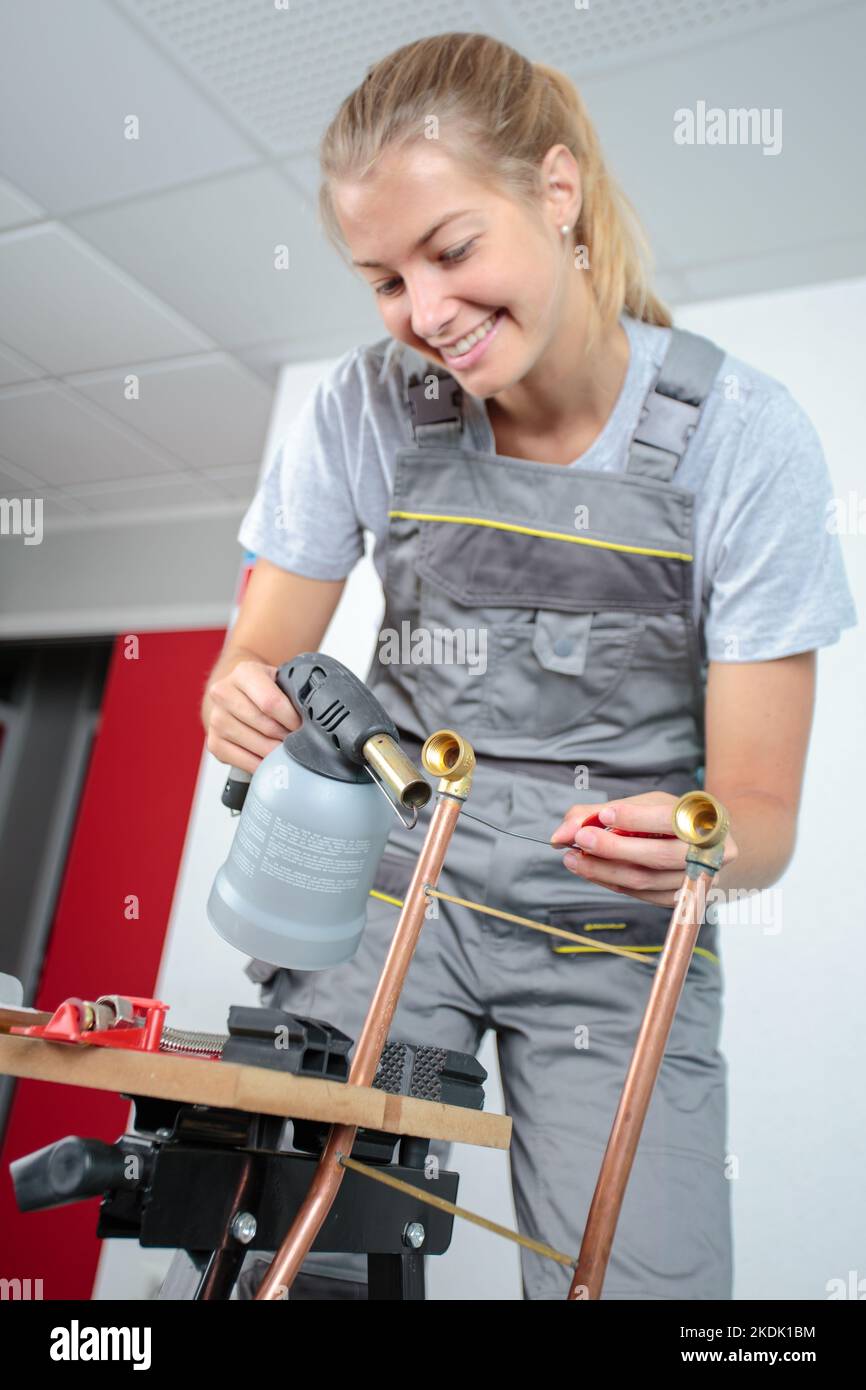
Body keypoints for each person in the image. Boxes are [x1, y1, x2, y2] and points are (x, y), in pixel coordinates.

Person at [201, 33, 857, 1300]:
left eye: (449, 251)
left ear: (555, 194)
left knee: (644, 1283)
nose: (424, 313)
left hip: (613, 943)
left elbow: (759, 824)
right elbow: (257, 662)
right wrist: (239, 697)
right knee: (294, 1251)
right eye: (383, 279)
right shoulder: (364, 406)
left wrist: (701, 840)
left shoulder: (745, 441)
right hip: (391, 889)